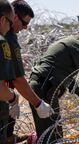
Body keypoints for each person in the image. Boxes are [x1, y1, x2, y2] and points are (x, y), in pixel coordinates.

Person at [29, 27, 79, 143]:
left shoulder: (67, 42)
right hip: (45, 88)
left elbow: (63, 76)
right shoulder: (77, 45)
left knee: (46, 133)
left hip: (37, 86)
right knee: (53, 136)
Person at [5, 0, 54, 143]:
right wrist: (38, 104)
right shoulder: (8, 38)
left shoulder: (9, 35)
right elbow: (18, 79)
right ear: (14, 17)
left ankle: (8, 137)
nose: (25, 28)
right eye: (24, 23)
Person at [0, 0, 16, 143]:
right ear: (2, 20)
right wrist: (13, 98)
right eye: (10, 23)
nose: (11, 27)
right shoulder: (2, 42)